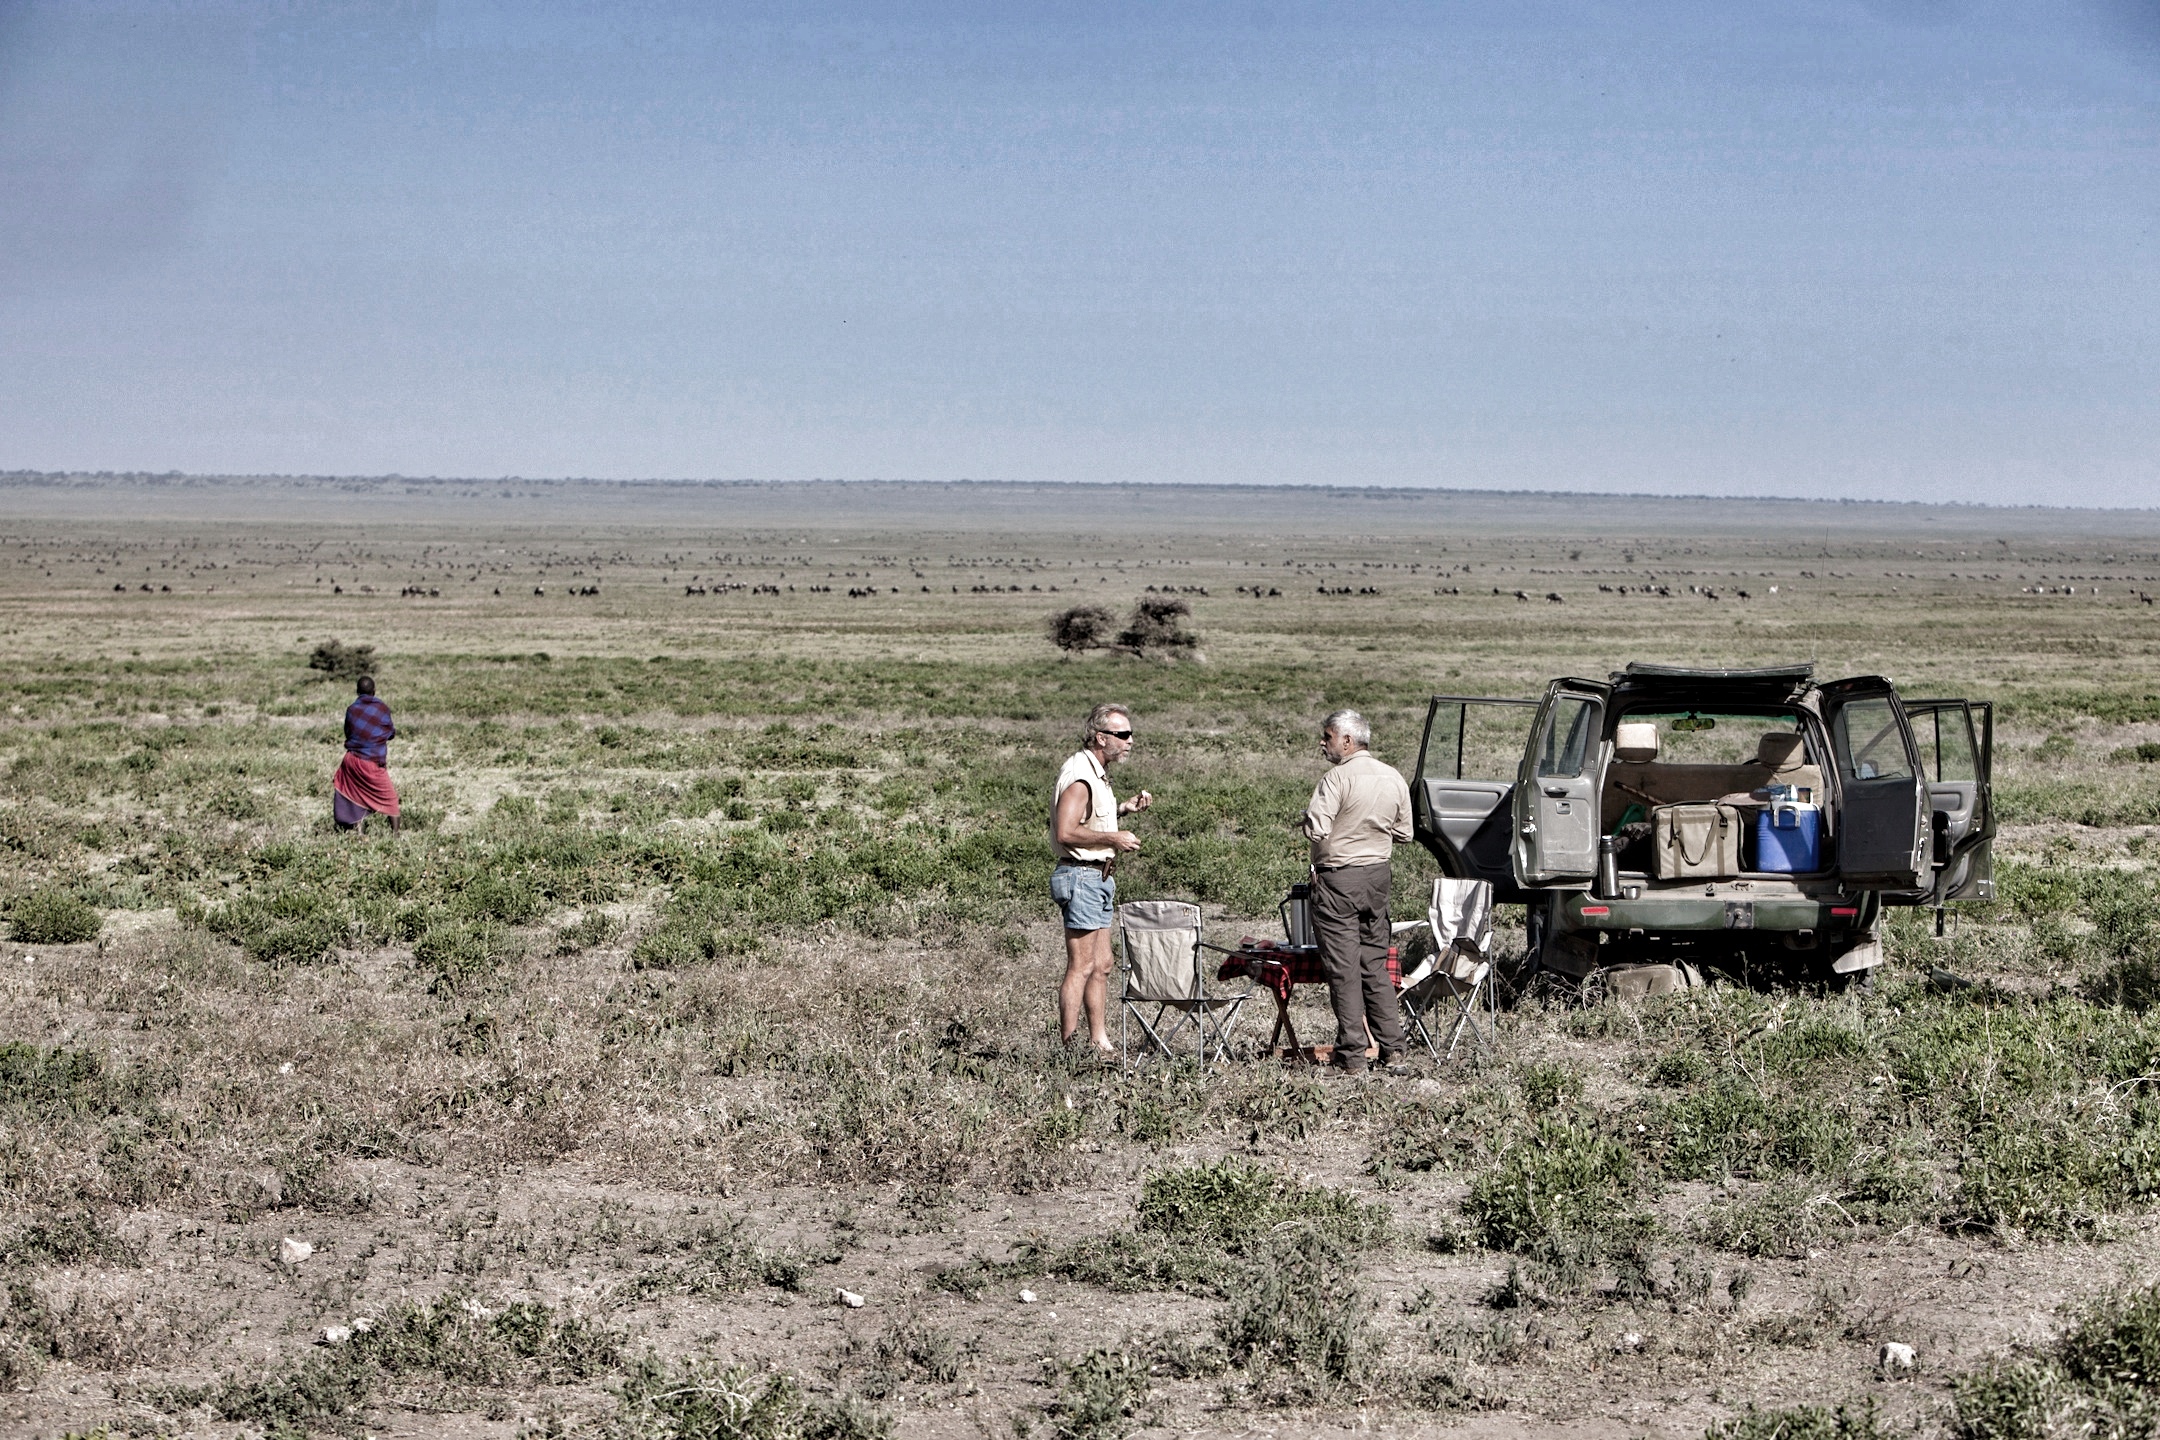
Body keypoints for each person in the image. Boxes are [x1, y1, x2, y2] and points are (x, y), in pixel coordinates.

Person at [1302, 708, 1413, 1075]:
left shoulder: (1335, 779)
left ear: (1347, 741)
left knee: (1344, 970)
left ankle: (1352, 1055)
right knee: (1375, 966)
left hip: (1339, 881)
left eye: (1328, 736)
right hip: (1377, 879)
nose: (1323, 742)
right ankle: (1393, 1049)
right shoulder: (1393, 776)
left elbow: (1316, 829)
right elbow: (1405, 833)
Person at [1050, 703, 1152, 1060]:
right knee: (1081, 965)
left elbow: (1090, 819)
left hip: (1097, 878)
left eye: (1130, 734)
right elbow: (1065, 832)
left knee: (1103, 963)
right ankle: (1069, 1047)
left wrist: (1123, 809)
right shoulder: (1080, 776)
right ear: (1100, 737)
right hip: (1082, 877)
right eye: (1123, 735)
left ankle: (1098, 1041)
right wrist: (1114, 838)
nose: (1130, 741)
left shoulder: (1096, 772)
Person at [333, 675, 400, 833]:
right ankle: (396, 836)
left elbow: (348, 733)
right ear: (374, 691)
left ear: (357, 692)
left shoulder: (352, 710)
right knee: (390, 799)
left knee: (355, 796)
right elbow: (389, 732)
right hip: (371, 762)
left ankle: (359, 833)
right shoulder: (382, 709)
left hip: (352, 759)